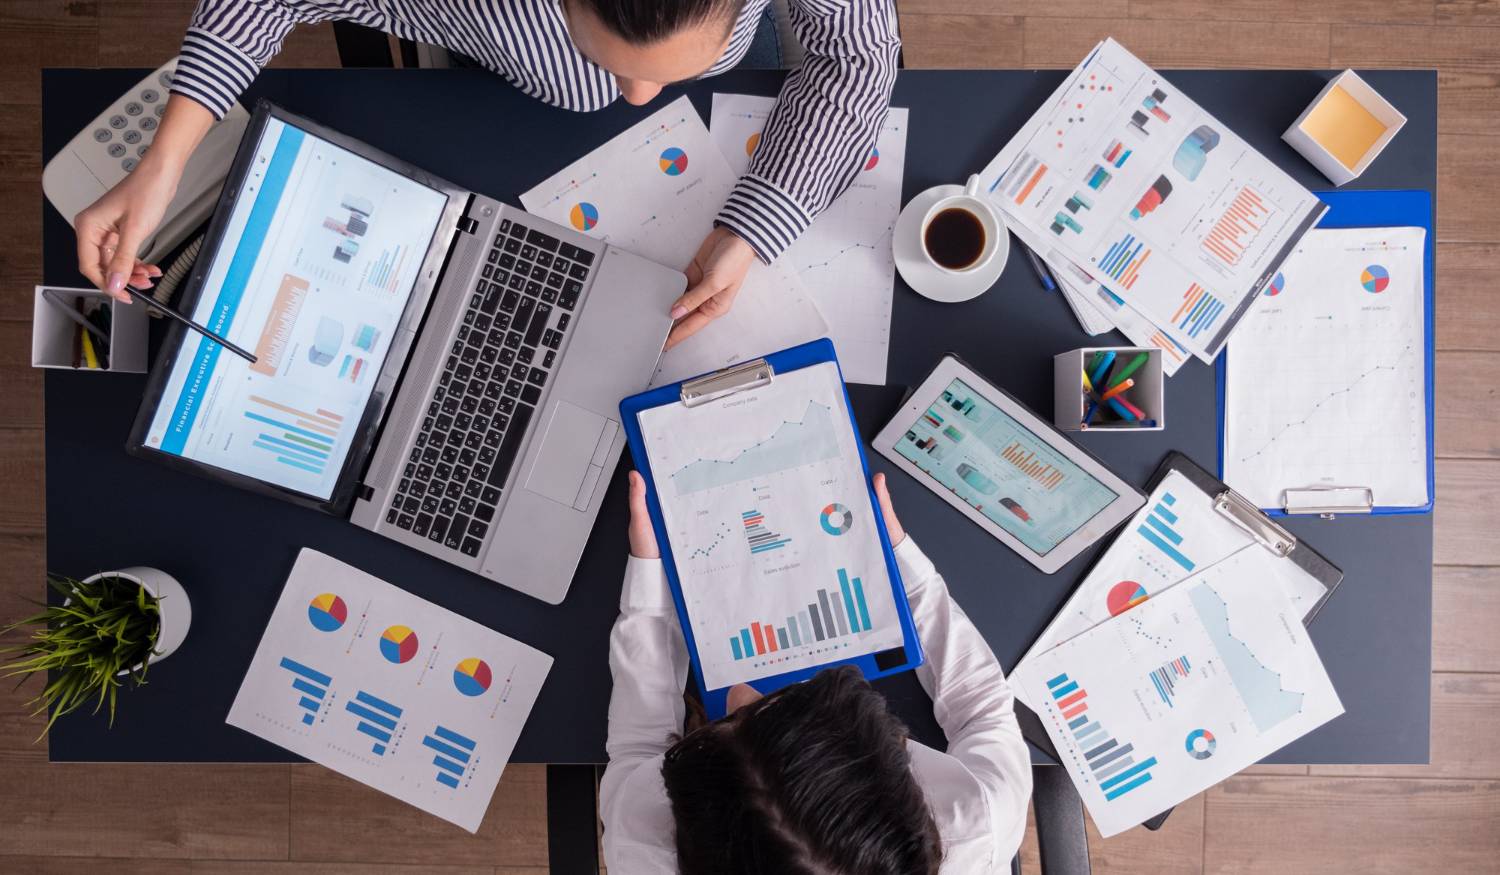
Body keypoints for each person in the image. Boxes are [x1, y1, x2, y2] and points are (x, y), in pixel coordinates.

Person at [72, 0, 900, 349]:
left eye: (666, 72)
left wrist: (753, 226)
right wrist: (163, 162)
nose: (640, 99)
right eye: (606, 56)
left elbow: (859, 52)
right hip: (479, 85)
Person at [602, 470, 1033, 872]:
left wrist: (649, 591)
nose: (738, 692)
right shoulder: (981, 820)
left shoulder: (644, 845)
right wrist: (897, 560)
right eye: (772, 703)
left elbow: (638, 749)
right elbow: (982, 709)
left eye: (725, 722)